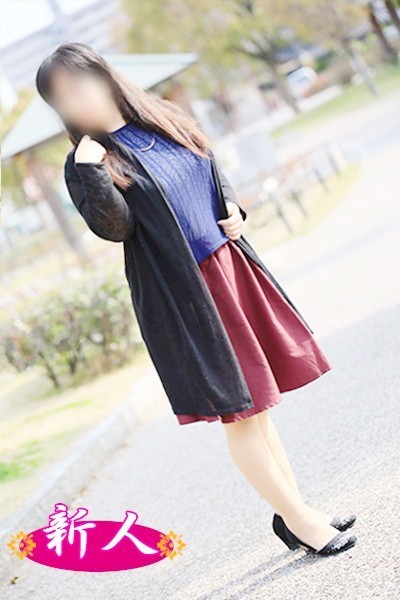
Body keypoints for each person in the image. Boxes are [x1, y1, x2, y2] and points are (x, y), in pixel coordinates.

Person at [36, 42, 357, 556]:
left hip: (230, 270)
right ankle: (301, 520)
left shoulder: (163, 116)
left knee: (260, 408)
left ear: (103, 75)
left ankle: (298, 513)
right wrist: (93, 170)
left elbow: (206, 164)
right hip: (188, 296)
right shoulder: (86, 162)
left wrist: (232, 207)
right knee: (242, 412)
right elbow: (116, 228)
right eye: (61, 99)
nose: (74, 102)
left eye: (78, 86)